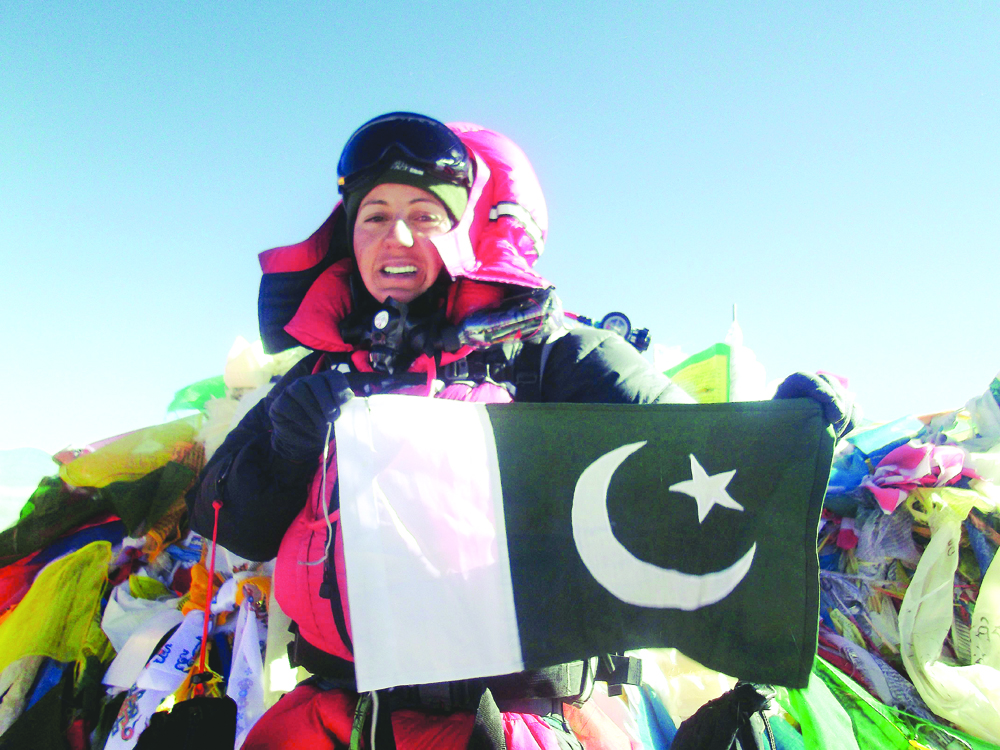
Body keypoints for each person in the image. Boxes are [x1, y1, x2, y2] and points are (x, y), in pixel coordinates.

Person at [187, 112, 855, 750]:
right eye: (375, 217)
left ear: (467, 230)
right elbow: (225, 526)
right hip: (334, 719)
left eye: (425, 216)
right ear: (347, 236)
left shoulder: (551, 355)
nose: (398, 237)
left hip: (507, 721)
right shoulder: (315, 375)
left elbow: (699, 467)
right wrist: (286, 446)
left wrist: (786, 431)